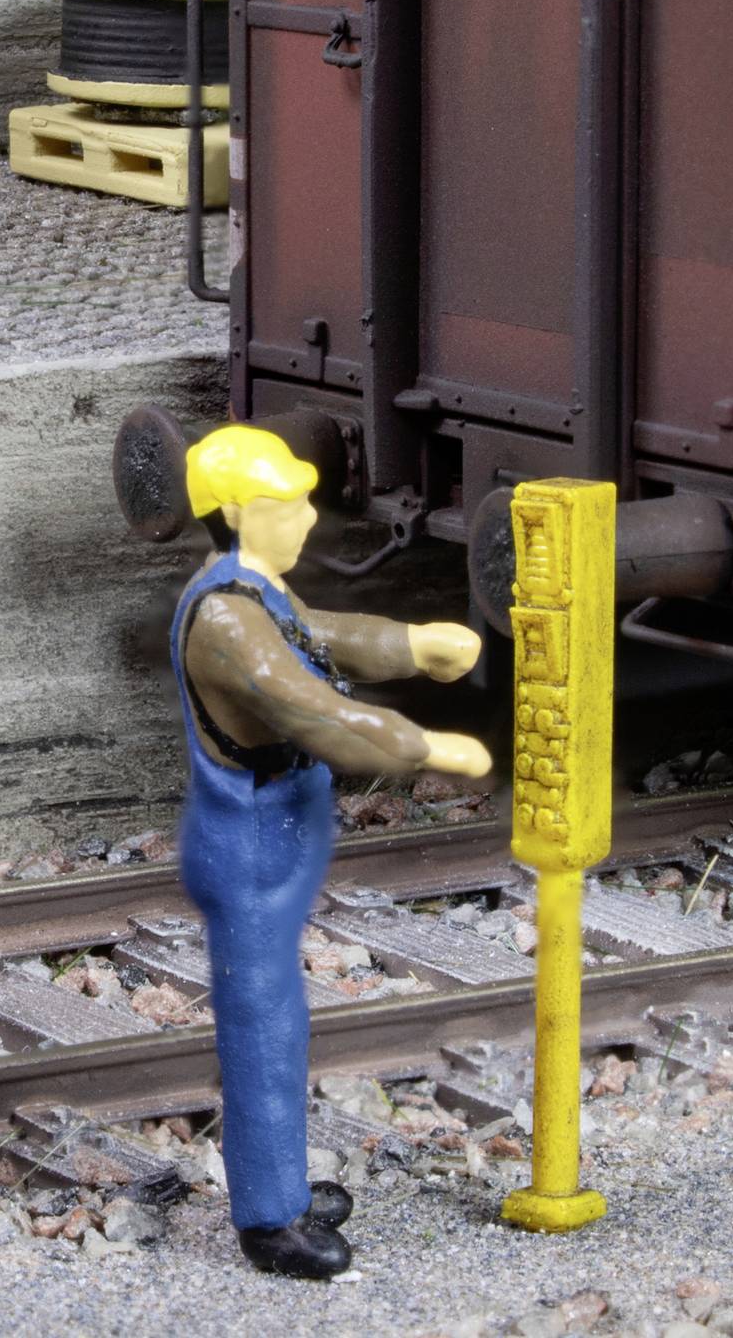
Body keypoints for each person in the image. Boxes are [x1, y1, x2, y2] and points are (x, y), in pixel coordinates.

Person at [171, 424, 491, 1279]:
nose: (308, 517)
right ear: (238, 512)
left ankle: (280, 1183)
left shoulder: (256, 592)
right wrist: (424, 747)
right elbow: (314, 710)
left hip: (279, 824)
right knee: (265, 1025)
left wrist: (412, 645)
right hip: (249, 838)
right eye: (289, 503)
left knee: (284, 1018)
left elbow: (325, 633)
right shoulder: (228, 623)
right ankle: (271, 1220)